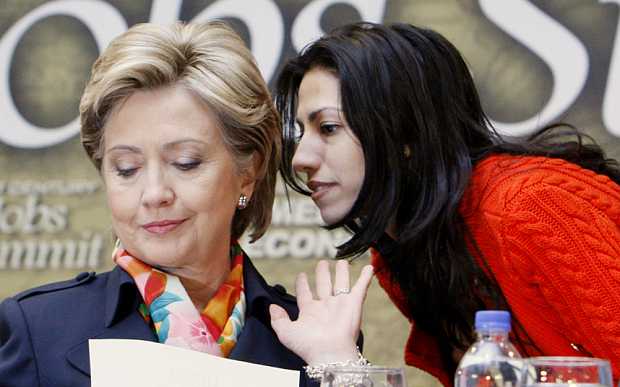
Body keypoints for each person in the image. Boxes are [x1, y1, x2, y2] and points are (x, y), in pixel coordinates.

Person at [269, 22, 620, 386]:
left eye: (327, 128)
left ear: (406, 133)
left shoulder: (529, 205)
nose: (300, 158)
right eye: (300, 132)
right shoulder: (403, 247)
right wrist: (341, 365)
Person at [0, 21, 338, 387]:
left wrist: (338, 363)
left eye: (186, 162)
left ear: (248, 171)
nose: (154, 193)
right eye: (126, 169)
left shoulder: (316, 338)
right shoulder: (36, 329)